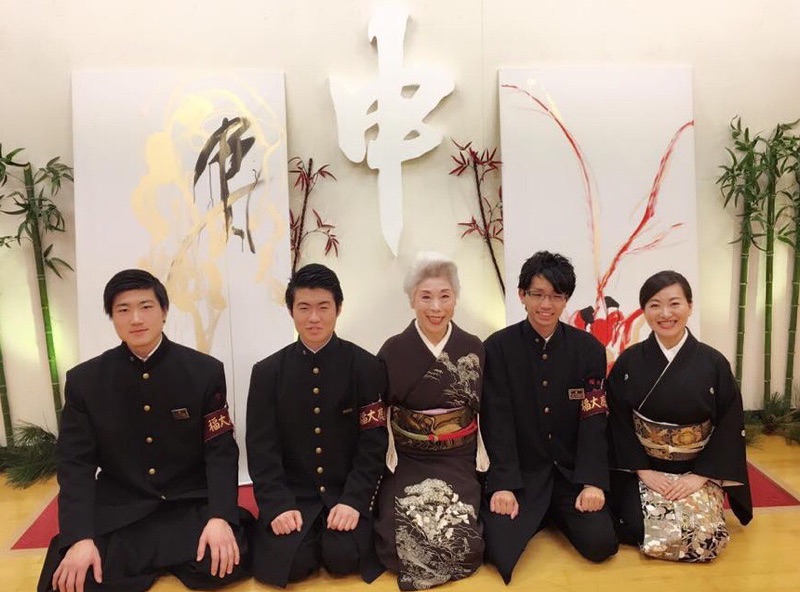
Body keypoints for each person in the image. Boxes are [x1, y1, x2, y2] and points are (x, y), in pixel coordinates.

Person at [38, 269, 250, 592]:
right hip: (122, 508)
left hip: (187, 503)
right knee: (73, 580)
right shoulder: (85, 382)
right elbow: (75, 465)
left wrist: (220, 517)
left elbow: (220, 452)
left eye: (146, 306)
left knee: (227, 560)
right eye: (123, 309)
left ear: (164, 311)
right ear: (112, 317)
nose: (136, 319)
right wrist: (80, 537)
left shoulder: (204, 372)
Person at [246, 263, 388, 587]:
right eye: (304, 308)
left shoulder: (366, 366)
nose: (314, 318)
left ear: (339, 308)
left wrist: (354, 500)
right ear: (290, 310)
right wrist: (277, 505)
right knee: (293, 564)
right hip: (293, 496)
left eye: (323, 307)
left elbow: (373, 444)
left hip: (344, 492)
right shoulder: (267, 373)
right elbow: (261, 448)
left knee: (343, 558)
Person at [480, 251, 617, 583]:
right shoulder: (497, 348)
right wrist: (503, 485)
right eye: (537, 294)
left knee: (601, 544)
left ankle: (554, 513)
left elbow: (594, 419)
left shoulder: (588, 349)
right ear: (522, 295)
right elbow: (496, 421)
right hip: (523, 477)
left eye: (556, 296)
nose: (546, 304)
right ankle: (539, 512)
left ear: (566, 299)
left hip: (571, 475)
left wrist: (593, 482)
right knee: (497, 548)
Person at [606, 270, 752, 561]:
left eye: (674, 303)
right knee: (635, 526)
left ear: (689, 306)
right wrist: (643, 470)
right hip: (645, 468)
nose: (665, 314)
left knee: (704, 540)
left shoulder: (713, 363)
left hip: (696, 469)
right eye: (655, 305)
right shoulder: (629, 361)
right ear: (644, 310)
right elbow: (618, 420)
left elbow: (729, 422)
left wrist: (700, 475)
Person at [374, 252, 485, 590]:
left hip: (457, 456)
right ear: (412, 299)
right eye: (426, 297)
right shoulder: (392, 351)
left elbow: (486, 410)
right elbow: (379, 412)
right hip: (409, 457)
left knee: (462, 538)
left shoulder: (473, 348)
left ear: (455, 299)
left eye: (445, 296)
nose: (436, 307)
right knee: (393, 541)